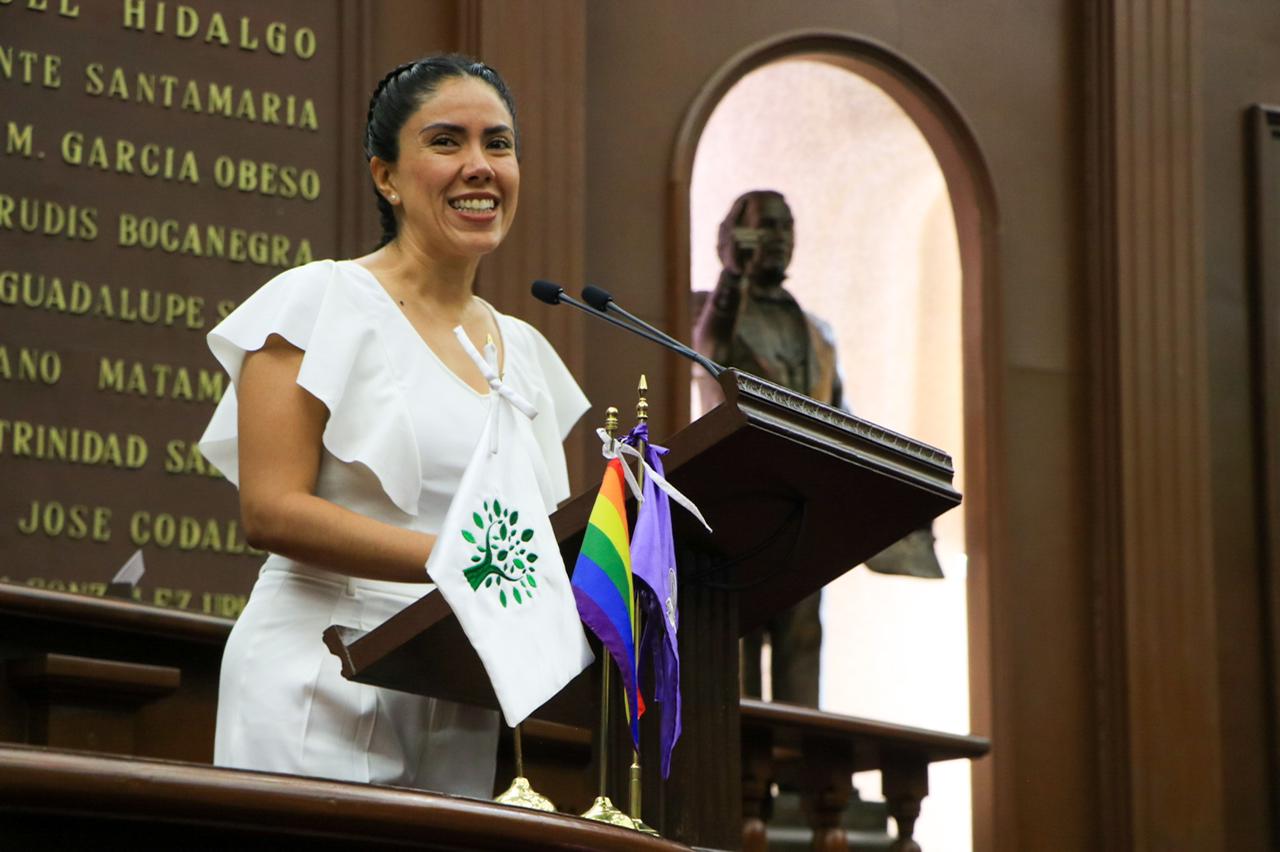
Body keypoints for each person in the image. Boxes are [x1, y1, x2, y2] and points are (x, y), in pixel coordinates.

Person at [197, 55, 589, 796]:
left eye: (498, 144)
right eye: (447, 142)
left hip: (456, 684)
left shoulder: (525, 352)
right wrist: (465, 565)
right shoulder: (319, 300)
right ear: (386, 176)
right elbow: (270, 508)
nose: (480, 166)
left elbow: (532, 534)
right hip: (317, 671)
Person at [693, 189, 941, 707]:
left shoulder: (818, 333)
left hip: (804, 517)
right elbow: (712, 351)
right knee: (737, 651)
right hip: (739, 511)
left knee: (802, 643)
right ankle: (738, 776)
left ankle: (793, 770)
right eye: (767, 226)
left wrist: (895, 486)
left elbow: (842, 419)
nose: (780, 239)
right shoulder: (716, 311)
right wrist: (732, 277)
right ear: (737, 237)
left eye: (787, 227)